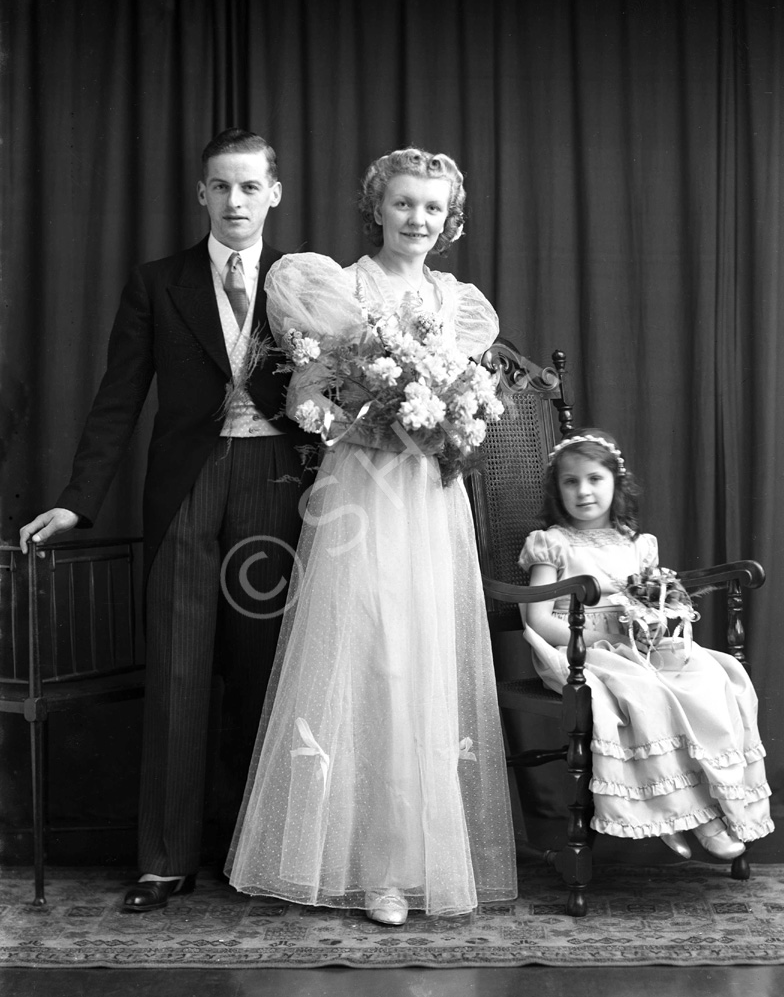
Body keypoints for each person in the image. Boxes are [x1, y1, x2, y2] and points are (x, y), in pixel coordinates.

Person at [19, 128, 310, 911]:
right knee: (178, 668)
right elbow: (119, 399)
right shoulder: (159, 282)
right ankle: (164, 859)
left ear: (273, 193)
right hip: (185, 485)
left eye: (250, 187)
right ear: (201, 194)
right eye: (221, 186)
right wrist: (77, 498)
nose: (236, 200)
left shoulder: (304, 280)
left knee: (262, 671)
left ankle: (262, 853)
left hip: (274, 486)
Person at [225, 147, 517, 925]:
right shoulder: (335, 287)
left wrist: (450, 420)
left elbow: (468, 406)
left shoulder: (461, 305)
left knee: (424, 662)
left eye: (431, 207)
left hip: (428, 498)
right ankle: (371, 870)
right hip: (361, 494)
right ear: (377, 209)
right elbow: (308, 402)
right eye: (403, 205)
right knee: (371, 661)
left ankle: (425, 860)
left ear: (449, 220)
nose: (416, 219)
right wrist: (369, 416)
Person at [518, 427, 774, 859]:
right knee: (646, 693)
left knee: (713, 676)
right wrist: (598, 638)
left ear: (616, 482)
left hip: (637, 647)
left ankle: (702, 808)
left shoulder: (636, 545)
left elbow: (655, 600)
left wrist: (656, 620)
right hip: (576, 652)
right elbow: (537, 616)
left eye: (595, 478)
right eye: (571, 481)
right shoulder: (553, 544)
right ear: (556, 489)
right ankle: (675, 812)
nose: (583, 491)